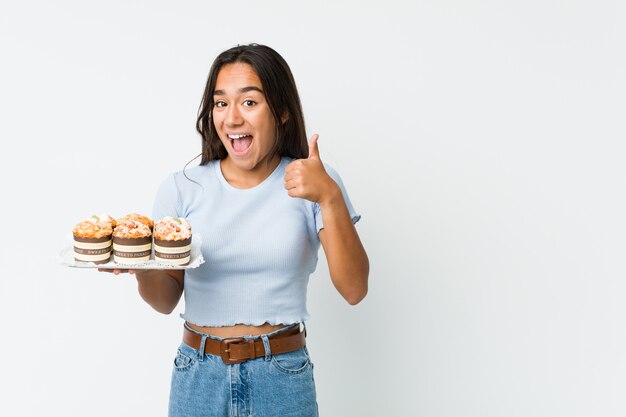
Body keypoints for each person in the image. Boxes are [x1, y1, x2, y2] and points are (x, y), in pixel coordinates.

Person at [103, 43, 368, 417]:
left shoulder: (313, 181)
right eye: (221, 103)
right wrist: (140, 265)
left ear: (282, 111)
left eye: (249, 102)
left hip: (281, 375)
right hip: (198, 374)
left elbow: (355, 289)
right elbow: (164, 301)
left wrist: (330, 197)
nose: (231, 118)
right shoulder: (182, 187)